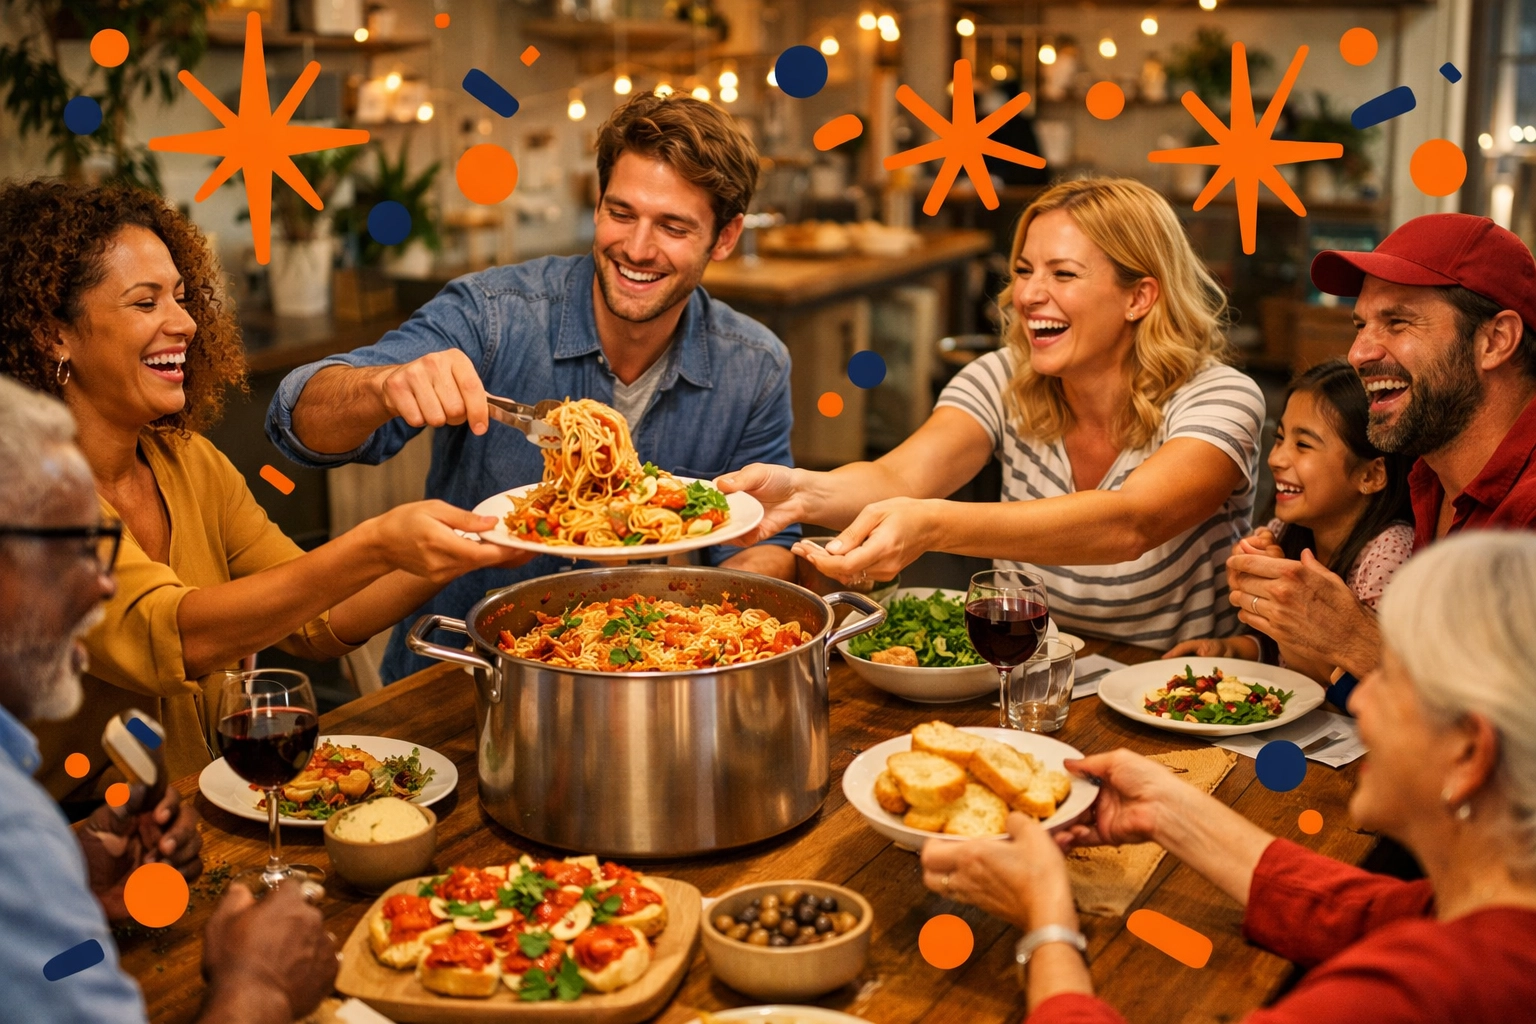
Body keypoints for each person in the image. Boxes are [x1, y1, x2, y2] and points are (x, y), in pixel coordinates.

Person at [0, 179, 532, 801]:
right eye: (145, 303)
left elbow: (320, 620)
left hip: (198, 814)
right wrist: (378, 544)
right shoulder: (25, 496)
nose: (185, 322)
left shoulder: (189, 462)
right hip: (73, 838)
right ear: (53, 333)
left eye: (181, 297)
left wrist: (489, 532)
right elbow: (172, 636)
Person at [267, 93, 800, 683]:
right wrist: (382, 385)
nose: (637, 248)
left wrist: (708, 633)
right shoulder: (493, 314)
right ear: (597, 204)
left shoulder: (754, 364)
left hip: (646, 676)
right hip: (462, 673)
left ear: (724, 237)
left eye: (673, 227)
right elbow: (298, 420)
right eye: (621, 213)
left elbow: (763, 541)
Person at [921, 531, 1536, 1024]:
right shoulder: (1488, 915)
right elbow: (1359, 913)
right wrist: (1167, 809)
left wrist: (1047, 922)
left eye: (1391, 679)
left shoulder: (1430, 991)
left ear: (1468, 754)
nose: (1360, 699)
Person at [723, 178, 1265, 647]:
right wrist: (802, 492)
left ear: (1139, 297)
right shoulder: (1003, 376)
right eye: (1024, 270)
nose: (1028, 295)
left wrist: (933, 525)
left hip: (1176, 688)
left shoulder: (1222, 397)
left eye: (1063, 274)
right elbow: (898, 478)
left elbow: (1130, 522)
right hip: (1024, 667)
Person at [0, 374, 336, 1024]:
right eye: (69, 551)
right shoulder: (15, 828)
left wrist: (73, 875)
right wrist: (258, 985)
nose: (103, 587)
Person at [1226, 214, 1536, 690]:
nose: (1358, 352)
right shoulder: (1426, 472)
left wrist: (1353, 638)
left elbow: (1511, 723)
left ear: (1495, 341)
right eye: (1361, 324)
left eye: (1397, 322)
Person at [1165, 359, 1412, 680]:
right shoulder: (1284, 530)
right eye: (1279, 437)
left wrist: (1280, 592)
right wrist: (1231, 650)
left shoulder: (1389, 553)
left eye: (1303, 445)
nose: (1275, 458)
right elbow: (1278, 655)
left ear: (1371, 475)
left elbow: (1350, 684)